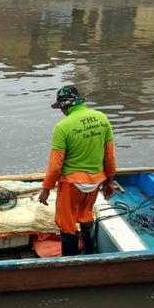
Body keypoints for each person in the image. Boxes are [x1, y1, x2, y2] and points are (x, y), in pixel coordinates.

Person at [38, 85, 116, 256]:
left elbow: (56, 165)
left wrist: (46, 189)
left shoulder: (63, 127)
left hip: (72, 184)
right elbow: (109, 155)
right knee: (86, 216)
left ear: (64, 107)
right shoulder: (102, 119)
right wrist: (109, 181)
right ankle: (90, 255)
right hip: (95, 182)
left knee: (66, 224)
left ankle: (70, 264)